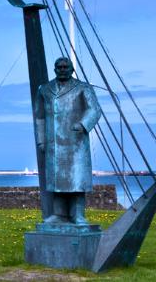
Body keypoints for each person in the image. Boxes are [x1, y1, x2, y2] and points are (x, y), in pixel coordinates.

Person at [34, 57, 101, 224]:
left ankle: (78, 215)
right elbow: (40, 117)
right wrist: (41, 141)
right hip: (54, 143)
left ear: (72, 69)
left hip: (75, 142)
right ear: (54, 69)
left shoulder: (83, 88)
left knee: (77, 180)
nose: (62, 69)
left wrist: (83, 124)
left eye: (65, 67)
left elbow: (94, 110)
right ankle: (59, 214)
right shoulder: (44, 89)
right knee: (57, 181)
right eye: (59, 67)